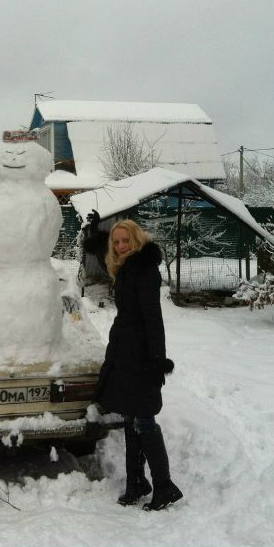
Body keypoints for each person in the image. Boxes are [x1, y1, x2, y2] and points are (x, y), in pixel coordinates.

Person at [83, 214, 183, 511]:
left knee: (144, 420)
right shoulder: (125, 266)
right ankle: (136, 482)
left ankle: (164, 487)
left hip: (140, 354)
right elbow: (107, 261)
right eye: (116, 242)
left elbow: (153, 319)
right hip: (125, 351)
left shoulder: (144, 270)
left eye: (126, 240)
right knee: (130, 417)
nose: (121, 246)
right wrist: (96, 236)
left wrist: (156, 361)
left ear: (136, 240)